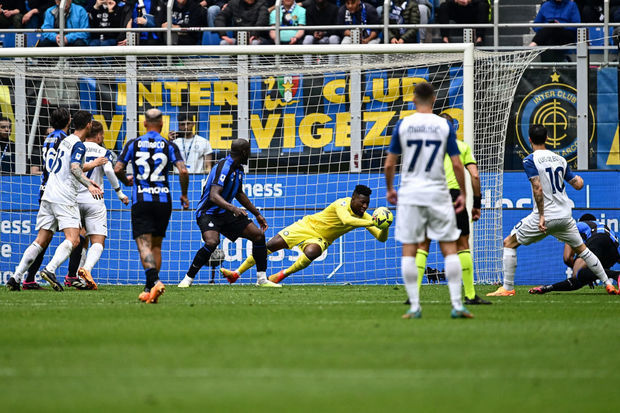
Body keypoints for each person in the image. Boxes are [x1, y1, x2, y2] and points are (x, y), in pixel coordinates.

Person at [487, 124, 618, 297]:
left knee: (509, 243)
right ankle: (608, 284)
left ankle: (508, 288)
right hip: (565, 216)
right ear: (547, 138)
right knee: (584, 251)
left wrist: (541, 215)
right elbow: (578, 185)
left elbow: (537, 188)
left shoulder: (530, 160)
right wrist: (579, 180)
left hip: (545, 216)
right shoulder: (560, 159)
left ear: (529, 140)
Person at [384, 81, 473, 319]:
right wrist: (463, 194)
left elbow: (390, 163)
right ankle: (457, 305)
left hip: (411, 193)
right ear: (433, 99)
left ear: (414, 100)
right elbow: (457, 164)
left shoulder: (404, 124)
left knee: (410, 249)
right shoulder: (444, 125)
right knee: (450, 248)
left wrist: (390, 189)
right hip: (438, 192)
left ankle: (414, 307)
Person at [6, 110, 104, 292]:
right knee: (74, 239)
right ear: (88, 125)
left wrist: (90, 170)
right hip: (64, 197)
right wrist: (89, 185)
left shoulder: (66, 140)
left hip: (48, 193)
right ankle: (50, 270)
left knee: (40, 240)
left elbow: (72, 166)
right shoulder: (79, 145)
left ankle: (16, 277)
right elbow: (74, 168)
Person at [220, 185, 389, 284]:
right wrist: (372, 222)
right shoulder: (342, 204)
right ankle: (236, 274)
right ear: (353, 198)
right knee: (269, 246)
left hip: (321, 239)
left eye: (367, 203)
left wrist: (385, 226)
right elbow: (346, 220)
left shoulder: (365, 217)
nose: (365, 206)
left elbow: (381, 238)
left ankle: (281, 275)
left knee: (312, 252)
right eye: (362, 202)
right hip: (306, 226)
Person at [177, 139, 279, 288]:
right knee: (212, 242)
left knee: (258, 235)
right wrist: (234, 209)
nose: (250, 154)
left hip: (225, 212)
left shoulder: (239, 169)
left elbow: (239, 193)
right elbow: (214, 195)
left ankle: (262, 279)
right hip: (208, 212)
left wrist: (257, 214)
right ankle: (187, 279)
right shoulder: (224, 167)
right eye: (249, 151)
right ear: (243, 152)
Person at [114, 108, 189, 304]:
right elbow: (183, 171)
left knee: (143, 244)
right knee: (156, 245)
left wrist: (126, 181)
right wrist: (184, 194)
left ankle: (154, 281)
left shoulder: (133, 143)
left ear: (145, 123)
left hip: (142, 200)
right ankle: (150, 289)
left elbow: (118, 168)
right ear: (162, 124)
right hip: (164, 201)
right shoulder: (169, 145)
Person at [414, 113, 490, 305]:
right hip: (454, 197)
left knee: (423, 245)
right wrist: (476, 204)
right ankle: (470, 295)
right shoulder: (461, 147)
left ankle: (413, 295)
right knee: (463, 246)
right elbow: (475, 175)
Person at [63, 120, 130, 290]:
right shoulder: (103, 151)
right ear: (99, 136)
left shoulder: (77, 147)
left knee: (80, 239)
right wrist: (119, 193)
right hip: (94, 199)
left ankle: (75, 275)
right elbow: (109, 170)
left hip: (75, 199)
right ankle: (86, 270)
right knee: (98, 241)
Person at [16, 109, 71, 290]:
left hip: (44, 189)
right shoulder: (65, 140)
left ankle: (23, 278)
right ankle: (70, 275)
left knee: (43, 239)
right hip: (58, 191)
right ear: (68, 121)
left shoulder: (48, 138)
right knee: (76, 235)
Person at [529, 214, 620, 294]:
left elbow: (567, 258)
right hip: (614, 250)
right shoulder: (609, 232)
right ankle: (547, 288)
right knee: (582, 276)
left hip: (597, 240)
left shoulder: (578, 225)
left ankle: (616, 274)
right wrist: (589, 274)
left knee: (578, 274)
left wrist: (581, 269)